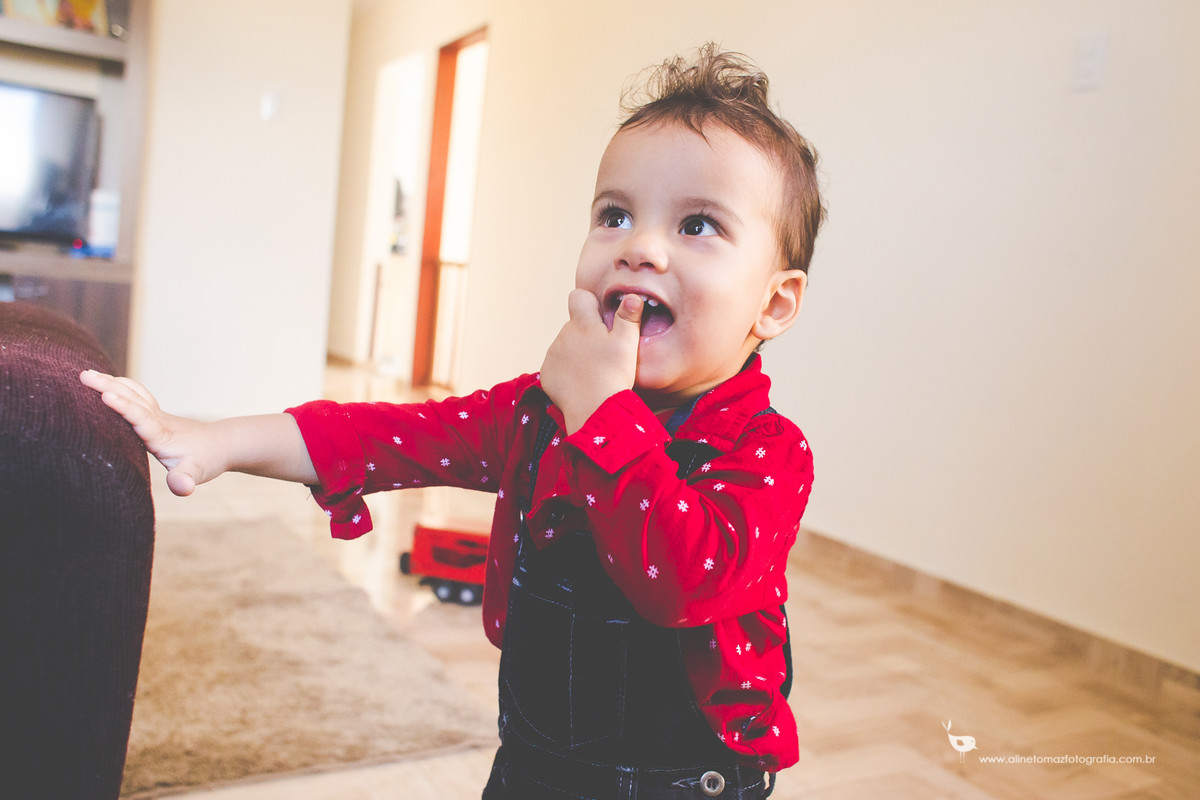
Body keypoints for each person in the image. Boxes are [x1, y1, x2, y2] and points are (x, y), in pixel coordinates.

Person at [82, 43, 824, 800]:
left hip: (682, 782)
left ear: (774, 303)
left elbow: (683, 578)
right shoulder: (538, 412)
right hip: (535, 766)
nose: (639, 246)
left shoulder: (771, 454)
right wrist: (213, 441)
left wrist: (601, 411)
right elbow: (381, 438)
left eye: (698, 225)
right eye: (615, 214)